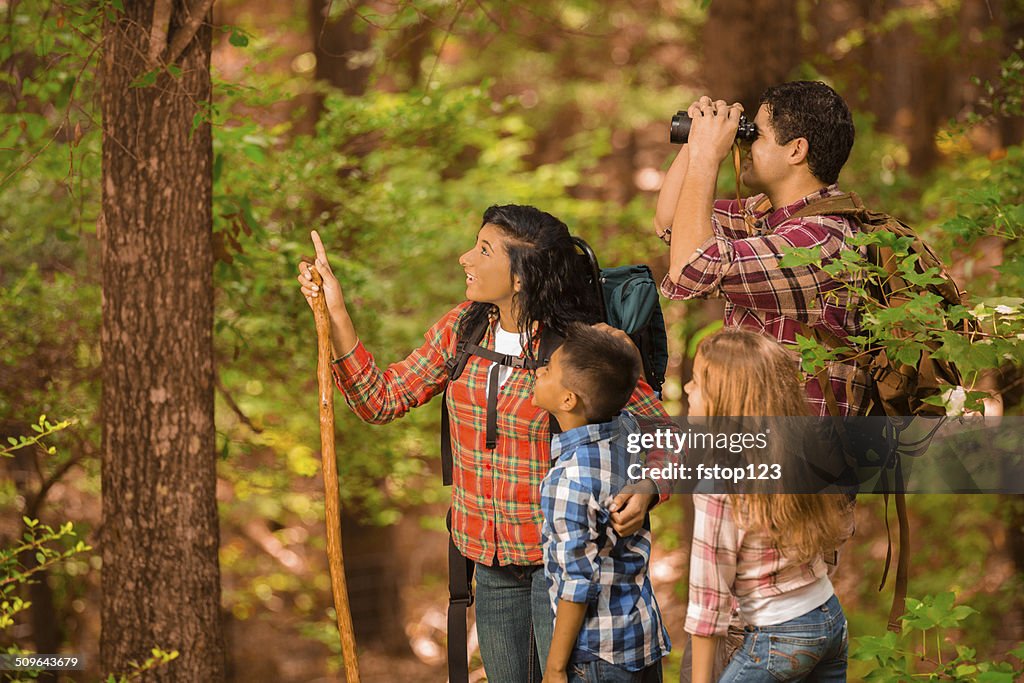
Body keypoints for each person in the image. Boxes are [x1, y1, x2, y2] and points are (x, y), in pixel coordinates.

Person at [296, 204, 672, 683]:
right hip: (490, 566)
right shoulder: (463, 329)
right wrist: (336, 311)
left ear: (520, 277)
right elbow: (380, 399)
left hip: (564, 568)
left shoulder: (575, 347)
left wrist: (649, 486)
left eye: (484, 250)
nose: (464, 258)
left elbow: (666, 434)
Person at [655, 80, 870, 418]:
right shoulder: (769, 215)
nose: (745, 143)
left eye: (756, 135)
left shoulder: (820, 240)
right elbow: (670, 221)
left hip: (802, 456)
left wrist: (707, 158)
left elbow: (690, 269)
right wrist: (697, 143)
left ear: (796, 150)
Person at [683, 328, 853, 683]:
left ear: (725, 399)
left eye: (697, 382)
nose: (686, 388)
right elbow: (840, 531)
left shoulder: (719, 484)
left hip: (780, 635)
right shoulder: (799, 452)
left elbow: (708, 602)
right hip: (829, 616)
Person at [533, 323, 670, 683]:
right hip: (641, 635)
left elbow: (577, 584)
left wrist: (555, 666)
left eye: (547, 369)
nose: (538, 371)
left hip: (596, 653)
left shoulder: (567, 480)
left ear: (568, 400)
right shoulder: (626, 430)